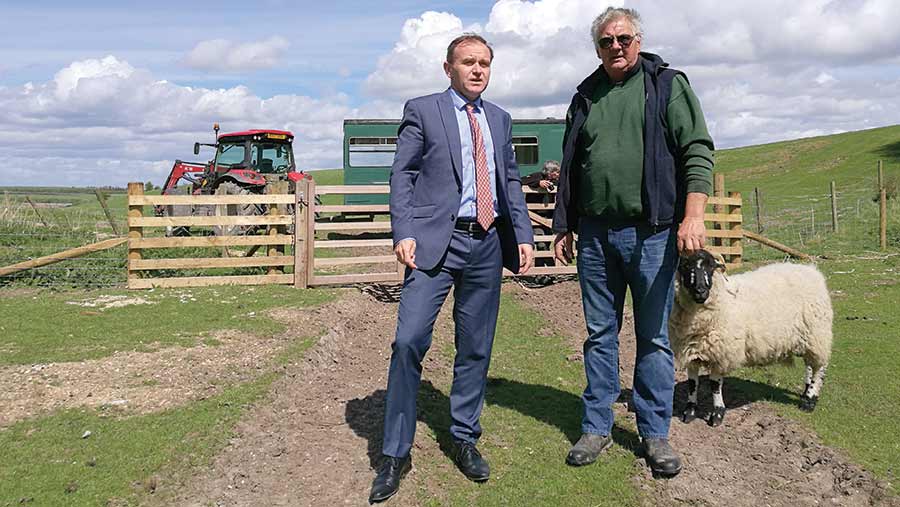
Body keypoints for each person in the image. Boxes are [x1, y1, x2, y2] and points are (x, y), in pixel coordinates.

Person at [369, 33, 535, 503]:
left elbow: (509, 180)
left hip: (486, 244)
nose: (478, 70)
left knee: (476, 347)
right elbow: (402, 173)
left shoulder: (499, 119)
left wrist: (522, 235)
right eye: (468, 62)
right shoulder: (423, 110)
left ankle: (464, 437)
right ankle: (395, 452)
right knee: (408, 341)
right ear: (449, 68)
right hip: (432, 245)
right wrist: (403, 230)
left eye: (485, 63)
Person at [552, 7, 714, 477]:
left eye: (624, 38)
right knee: (599, 335)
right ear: (597, 47)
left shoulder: (666, 85)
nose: (616, 46)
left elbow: (697, 149)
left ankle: (654, 432)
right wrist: (564, 223)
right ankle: (596, 426)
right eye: (606, 41)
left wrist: (694, 215)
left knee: (655, 338)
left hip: (654, 234)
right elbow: (572, 163)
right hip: (597, 237)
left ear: (638, 40)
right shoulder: (585, 95)